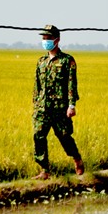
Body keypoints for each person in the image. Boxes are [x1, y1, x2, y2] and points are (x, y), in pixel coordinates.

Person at [33, 24, 84, 180]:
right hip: (42, 108)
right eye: (44, 38)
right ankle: (44, 170)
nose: (45, 41)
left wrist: (71, 106)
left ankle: (77, 159)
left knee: (64, 137)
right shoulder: (41, 61)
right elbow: (37, 86)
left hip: (60, 109)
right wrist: (35, 105)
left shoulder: (67, 60)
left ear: (57, 39)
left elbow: (71, 84)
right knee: (38, 136)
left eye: (48, 38)